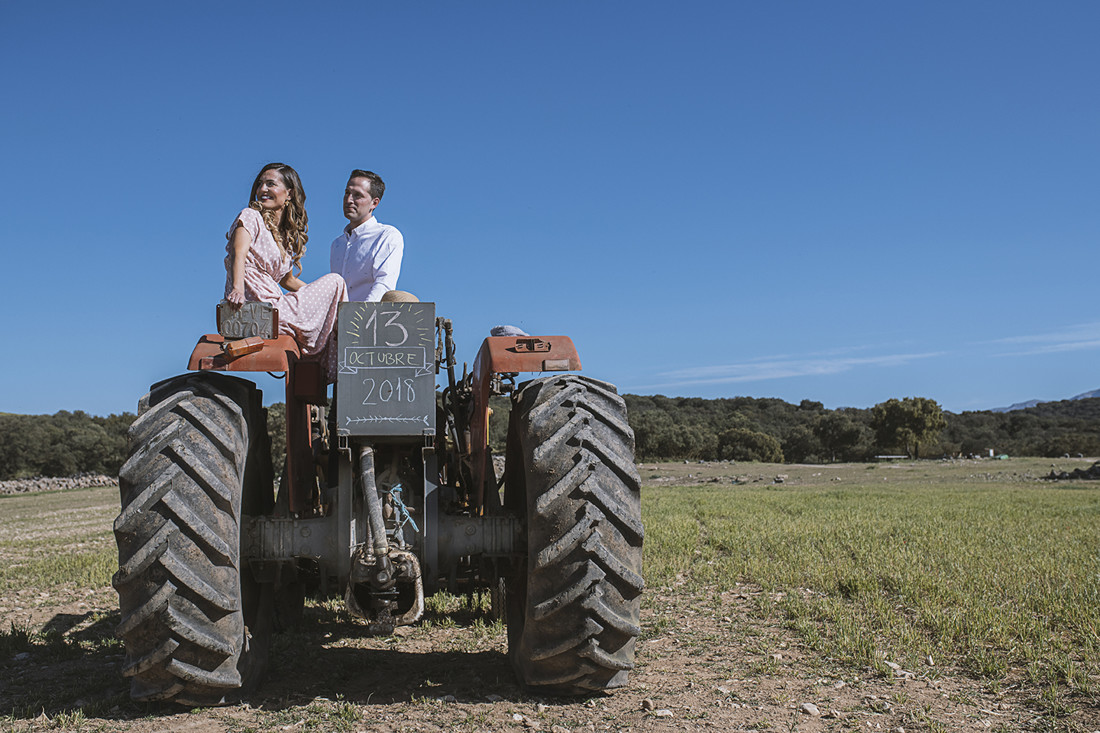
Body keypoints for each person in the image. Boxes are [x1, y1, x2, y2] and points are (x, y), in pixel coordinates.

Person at [224, 162, 348, 381]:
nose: (262, 189)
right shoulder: (250, 216)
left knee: (335, 297)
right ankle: (341, 366)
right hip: (262, 308)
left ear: (289, 193)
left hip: (276, 304)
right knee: (337, 281)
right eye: (260, 184)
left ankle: (325, 373)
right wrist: (237, 289)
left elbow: (288, 279)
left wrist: (323, 298)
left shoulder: (281, 237)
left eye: (270, 184)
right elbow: (238, 252)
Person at [330, 169, 404, 301]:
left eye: (357, 195)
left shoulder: (387, 236)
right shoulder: (337, 244)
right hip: (337, 319)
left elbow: (383, 285)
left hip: (367, 319)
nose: (349, 200)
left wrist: (360, 318)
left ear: (374, 203)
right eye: (347, 193)